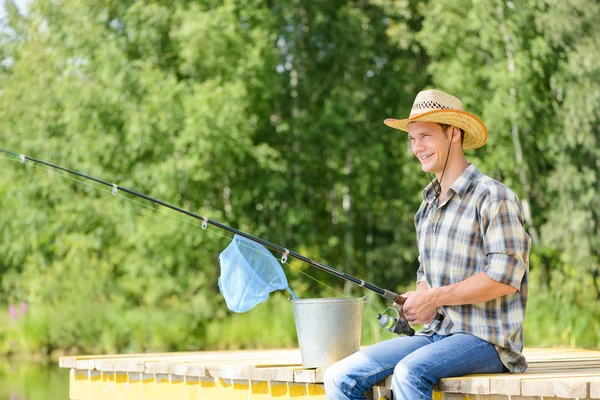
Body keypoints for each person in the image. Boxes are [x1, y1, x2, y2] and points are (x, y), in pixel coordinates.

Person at [323, 89, 531, 400]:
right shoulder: (427, 207)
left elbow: (504, 278)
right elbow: (427, 276)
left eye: (425, 136)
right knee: (340, 376)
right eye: (411, 139)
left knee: (409, 372)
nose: (417, 147)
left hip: (488, 342)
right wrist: (418, 302)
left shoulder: (493, 197)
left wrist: (434, 297)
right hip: (436, 335)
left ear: (454, 134)